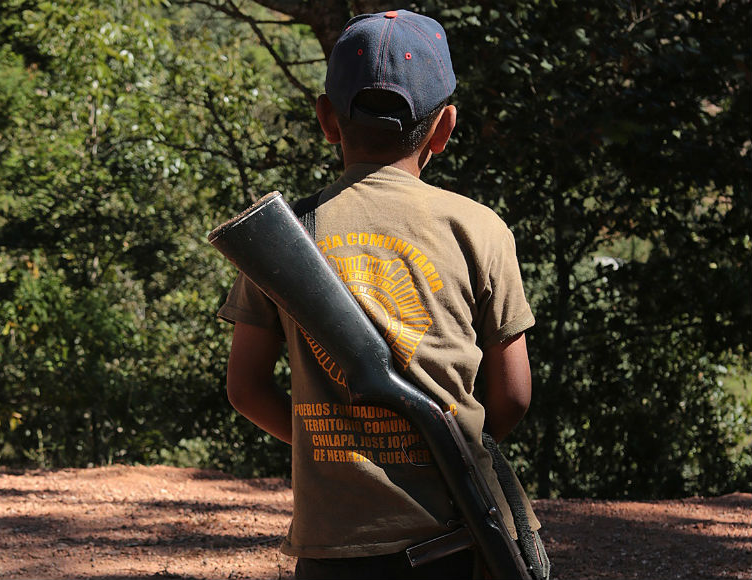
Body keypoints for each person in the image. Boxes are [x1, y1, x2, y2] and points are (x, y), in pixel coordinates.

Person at [217, 10, 540, 580]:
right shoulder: (479, 227)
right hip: (462, 529)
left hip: (334, 542)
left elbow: (245, 388)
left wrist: (337, 447)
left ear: (327, 120)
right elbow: (511, 398)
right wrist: (446, 448)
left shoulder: (287, 237)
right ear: (445, 127)